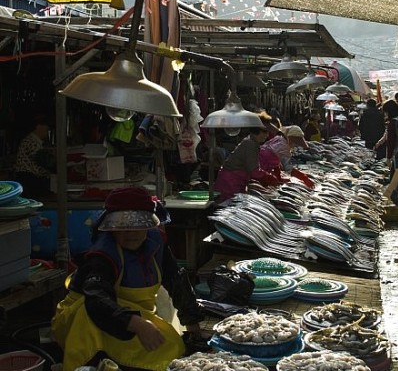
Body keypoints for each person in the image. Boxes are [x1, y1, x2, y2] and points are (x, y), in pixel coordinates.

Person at [51, 187, 204, 370]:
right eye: (123, 227)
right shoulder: (102, 256)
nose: (131, 233)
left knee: (173, 347)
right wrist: (136, 324)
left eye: (138, 225)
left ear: (148, 224)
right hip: (88, 320)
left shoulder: (156, 243)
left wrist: (192, 321)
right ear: (111, 228)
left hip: (131, 315)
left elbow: (175, 279)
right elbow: (96, 299)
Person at [214, 115, 280, 202]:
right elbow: (254, 171)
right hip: (230, 183)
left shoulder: (251, 142)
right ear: (256, 131)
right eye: (264, 132)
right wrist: (270, 178)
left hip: (235, 181)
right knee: (229, 207)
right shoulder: (250, 144)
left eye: (268, 132)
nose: (267, 135)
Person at [14, 114, 54, 198]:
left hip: (31, 180)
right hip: (29, 180)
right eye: (45, 126)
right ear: (38, 126)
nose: (47, 129)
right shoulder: (31, 142)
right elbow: (44, 161)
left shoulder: (34, 141)